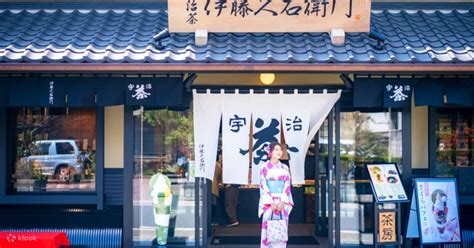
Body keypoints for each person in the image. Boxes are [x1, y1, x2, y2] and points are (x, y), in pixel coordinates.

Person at [259, 142, 294, 248]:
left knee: (281, 228)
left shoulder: (285, 167)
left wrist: (283, 201)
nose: (279, 152)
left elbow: (287, 184)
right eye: (276, 150)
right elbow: (263, 185)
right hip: (269, 203)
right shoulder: (264, 167)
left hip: (282, 202)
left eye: (280, 150)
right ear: (270, 152)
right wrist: (270, 203)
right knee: (267, 228)